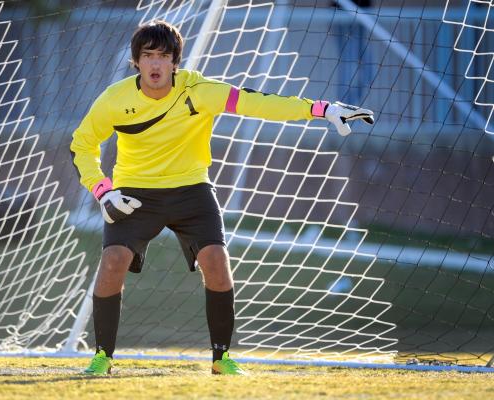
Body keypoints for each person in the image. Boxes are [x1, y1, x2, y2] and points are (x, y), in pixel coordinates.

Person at [70, 20, 373, 376]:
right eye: (148, 56)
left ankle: (221, 358)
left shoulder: (199, 90)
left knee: (216, 260)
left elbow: (256, 103)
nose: (155, 64)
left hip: (191, 188)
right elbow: (82, 144)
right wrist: (104, 192)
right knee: (112, 261)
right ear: (136, 62)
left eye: (163, 56)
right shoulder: (115, 99)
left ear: (175, 62)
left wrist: (320, 109)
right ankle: (103, 356)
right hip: (134, 192)